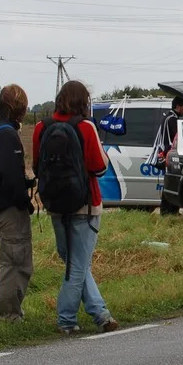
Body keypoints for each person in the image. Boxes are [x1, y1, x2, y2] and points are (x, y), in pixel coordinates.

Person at [32, 80, 119, 334]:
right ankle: (66, 319)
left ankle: (101, 314)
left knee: (73, 262)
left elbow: (37, 167)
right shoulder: (86, 127)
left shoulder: (41, 127)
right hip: (85, 203)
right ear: (83, 102)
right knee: (78, 265)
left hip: (55, 204)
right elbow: (99, 167)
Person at [0, 84, 36, 322]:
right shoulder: (7, 135)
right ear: (19, 108)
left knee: (14, 259)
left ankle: (12, 312)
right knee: (15, 261)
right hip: (8, 208)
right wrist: (24, 201)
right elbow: (10, 175)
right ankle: (8, 316)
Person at [150, 96, 183, 215]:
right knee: (172, 183)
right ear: (178, 106)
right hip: (170, 155)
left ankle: (169, 210)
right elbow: (176, 139)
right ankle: (168, 211)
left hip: (169, 155)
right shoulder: (172, 119)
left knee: (171, 182)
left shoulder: (171, 117)